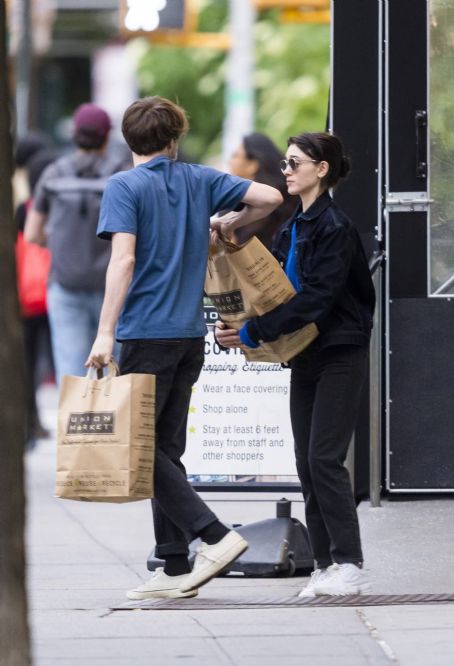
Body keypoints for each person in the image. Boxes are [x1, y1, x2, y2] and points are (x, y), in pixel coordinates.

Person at [85, 96, 283, 600]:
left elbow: (123, 260)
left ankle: (213, 537)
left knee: (141, 448)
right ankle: (174, 567)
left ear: (129, 141)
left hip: (144, 334)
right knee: (165, 451)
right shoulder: (200, 179)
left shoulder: (123, 187)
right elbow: (269, 199)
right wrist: (227, 223)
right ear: (173, 139)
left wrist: (105, 332)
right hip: (188, 336)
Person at [215, 132, 376, 597]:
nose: (285, 170)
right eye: (284, 164)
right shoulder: (294, 226)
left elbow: (316, 300)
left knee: (325, 458)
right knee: (306, 461)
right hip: (306, 355)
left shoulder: (334, 227)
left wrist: (254, 332)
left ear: (321, 169)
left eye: (294, 163)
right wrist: (238, 325)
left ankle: (349, 562)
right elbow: (274, 291)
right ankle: (325, 563)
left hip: (340, 351)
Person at [24, 103, 126, 383]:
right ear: (106, 136)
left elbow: (32, 233)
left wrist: (58, 241)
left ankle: (72, 427)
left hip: (65, 285)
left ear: (74, 135)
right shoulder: (121, 174)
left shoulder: (54, 173)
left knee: (71, 375)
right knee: (113, 375)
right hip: (113, 289)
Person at [228, 132, 297, 249]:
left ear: (252, 165)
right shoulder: (289, 200)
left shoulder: (272, 209)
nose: (230, 161)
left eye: (235, 156)